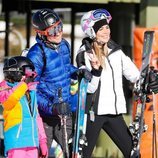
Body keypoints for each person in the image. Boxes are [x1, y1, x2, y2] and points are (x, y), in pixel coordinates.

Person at [76, 8, 158, 158]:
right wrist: (96, 71)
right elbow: (88, 88)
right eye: (101, 28)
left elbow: (134, 75)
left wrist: (149, 80)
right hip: (93, 114)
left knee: (133, 153)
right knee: (83, 155)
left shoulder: (116, 52)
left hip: (113, 113)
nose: (106, 31)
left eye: (107, 26)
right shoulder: (85, 54)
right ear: (92, 32)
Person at [26, 8, 79, 157]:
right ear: (41, 34)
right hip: (45, 116)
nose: (58, 33)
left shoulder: (64, 45)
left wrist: (77, 71)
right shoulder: (36, 54)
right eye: (52, 31)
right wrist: (52, 108)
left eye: (59, 27)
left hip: (65, 110)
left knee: (70, 151)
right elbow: (30, 89)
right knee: (43, 153)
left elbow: (64, 68)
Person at [0, 56, 48, 158]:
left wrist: (42, 141)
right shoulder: (4, 88)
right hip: (16, 143)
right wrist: (23, 85)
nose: (29, 75)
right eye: (26, 72)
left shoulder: (31, 91)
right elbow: (8, 102)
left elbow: (36, 118)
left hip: (32, 143)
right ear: (15, 72)